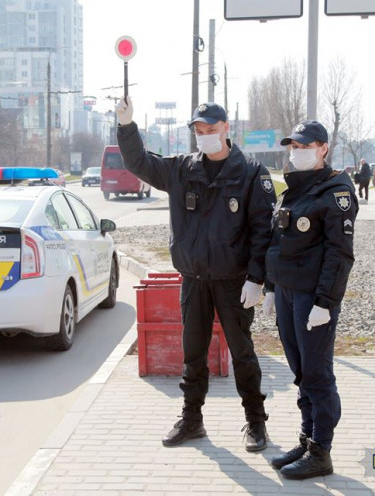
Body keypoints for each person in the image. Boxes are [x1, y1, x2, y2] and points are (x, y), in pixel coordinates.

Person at [115, 97, 277, 452]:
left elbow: (263, 229)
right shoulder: (182, 169)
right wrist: (127, 127)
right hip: (194, 280)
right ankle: (192, 420)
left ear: (226, 129)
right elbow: (139, 162)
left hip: (234, 282)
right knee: (193, 354)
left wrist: (257, 278)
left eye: (211, 130)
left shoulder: (250, 172)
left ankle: (255, 422)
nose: (205, 136)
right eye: (199, 131)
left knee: (243, 353)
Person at [261, 121, 358, 480]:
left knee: (317, 375)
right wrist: (271, 287)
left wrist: (325, 302)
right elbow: (279, 242)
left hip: (312, 298)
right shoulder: (295, 189)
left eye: (303, 145)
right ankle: (307, 439)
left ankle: (322, 451)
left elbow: (339, 255)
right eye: (292, 146)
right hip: (287, 293)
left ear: (323, 149)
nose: (296, 151)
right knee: (300, 373)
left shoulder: (336, 192)